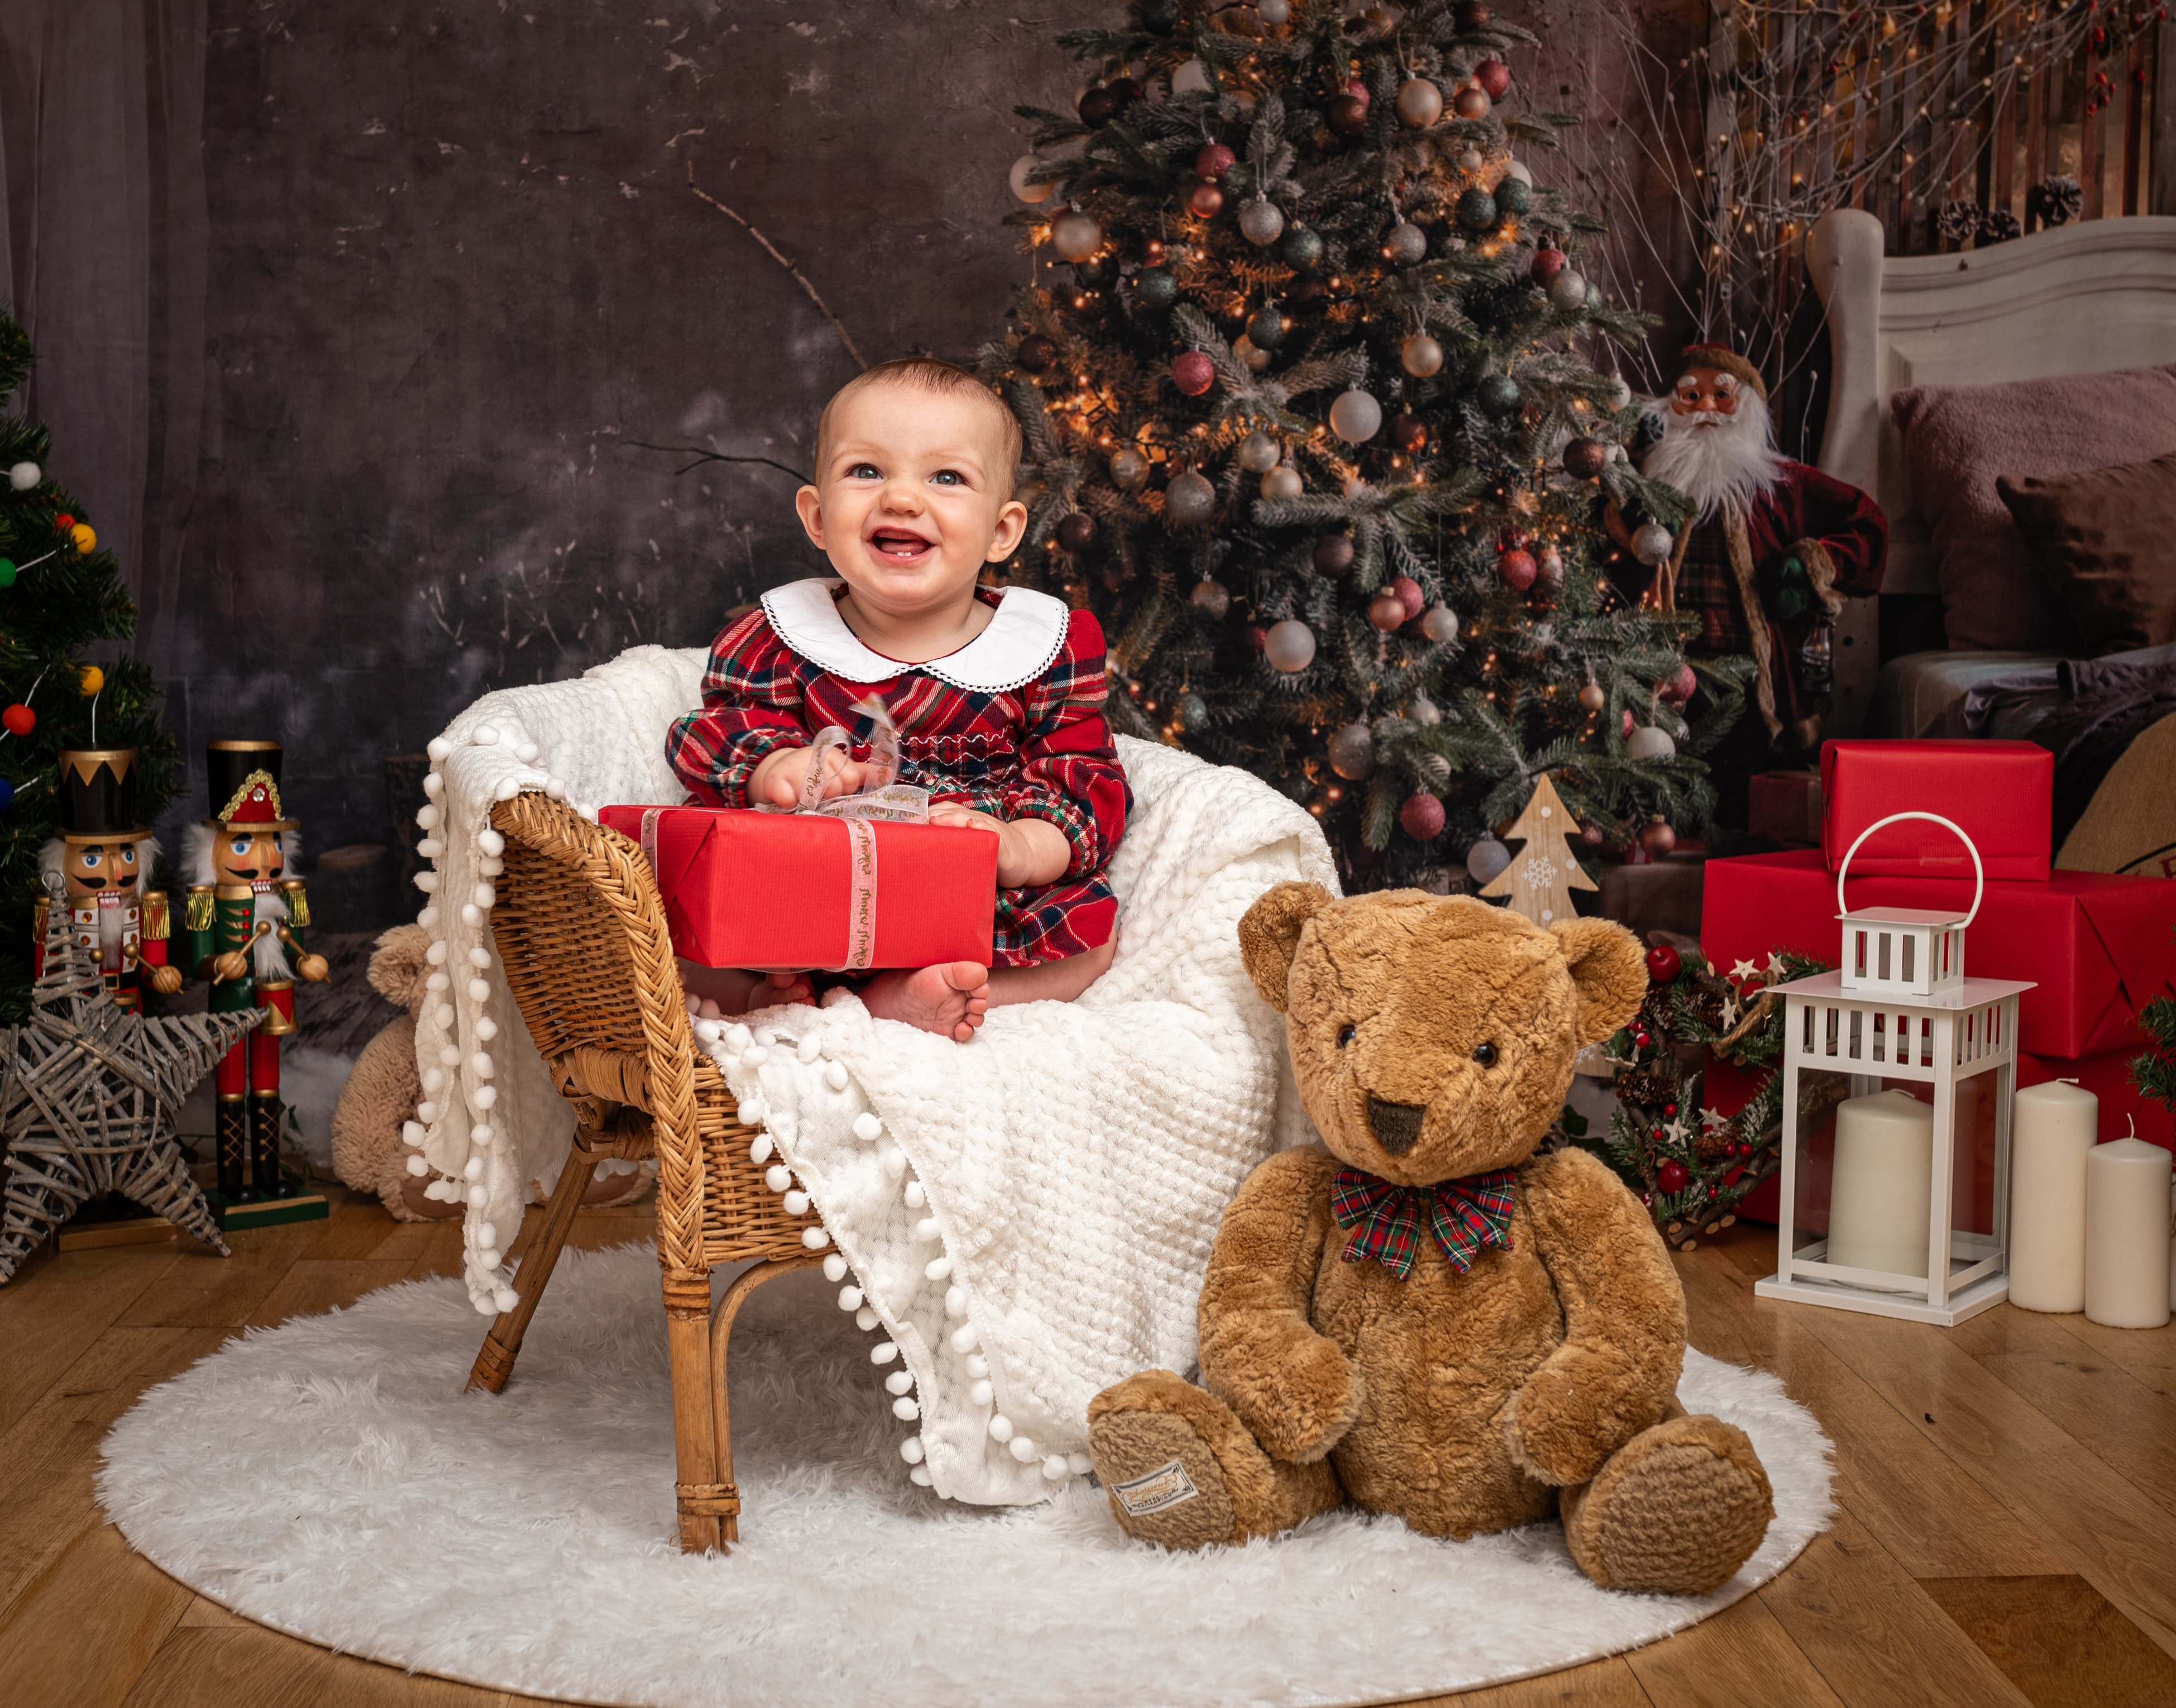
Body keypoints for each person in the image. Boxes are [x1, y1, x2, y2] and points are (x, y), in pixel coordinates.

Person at [666, 357, 1128, 1041]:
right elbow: (712, 731)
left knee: (1093, 940)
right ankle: (778, 994)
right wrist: (775, 767)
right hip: (815, 884)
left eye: (946, 477)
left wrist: (1021, 847)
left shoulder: (1040, 649)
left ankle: (902, 999)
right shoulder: (780, 637)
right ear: (818, 517)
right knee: (680, 918)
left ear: (1003, 532)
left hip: (967, 895)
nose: (903, 499)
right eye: (867, 471)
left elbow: (1083, 774)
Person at [1608, 345, 1886, 822]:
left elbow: (1869, 525)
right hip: (1656, 682)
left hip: (1755, 688)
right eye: (1690, 396)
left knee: (1745, 802)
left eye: (1722, 395)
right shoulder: (1645, 484)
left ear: (1749, 410)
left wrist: (1811, 567)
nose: (1706, 409)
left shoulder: (1782, 486)